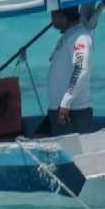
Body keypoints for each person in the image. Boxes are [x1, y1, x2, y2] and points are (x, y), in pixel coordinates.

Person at [39, 7, 94, 136]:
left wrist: (66, 102)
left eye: (53, 14)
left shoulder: (80, 37)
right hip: (62, 110)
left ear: (63, 16)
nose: (51, 18)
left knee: (73, 155)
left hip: (72, 111)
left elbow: (80, 69)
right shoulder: (70, 35)